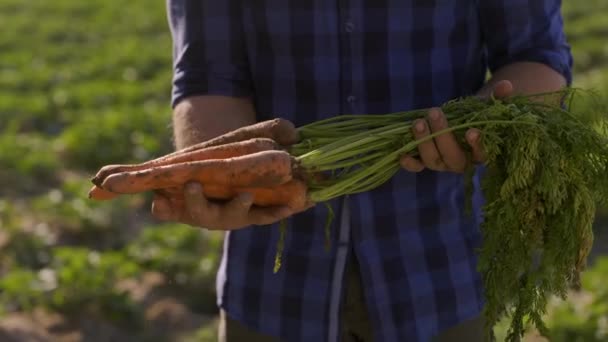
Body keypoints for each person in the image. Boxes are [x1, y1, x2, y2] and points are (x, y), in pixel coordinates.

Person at [154, 1, 572, 341]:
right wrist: (222, 171)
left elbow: (536, 55)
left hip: (437, 275)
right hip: (274, 286)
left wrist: (479, 127)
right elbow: (206, 74)